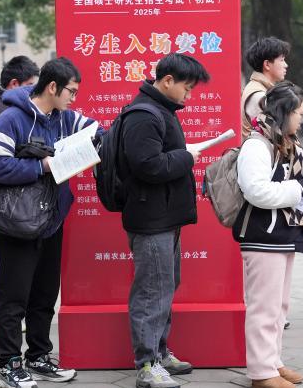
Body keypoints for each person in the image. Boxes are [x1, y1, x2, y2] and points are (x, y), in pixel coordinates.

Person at [0, 57, 98, 388]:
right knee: (14, 296)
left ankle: (38, 356)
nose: (74, 98)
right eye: (71, 92)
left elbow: (97, 130)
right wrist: (41, 166)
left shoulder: (64, 117)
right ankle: (8, 364)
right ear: (52, 87)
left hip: (52, 220)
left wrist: (95, 143)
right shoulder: (12, 118)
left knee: (45, 294)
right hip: (18, 223)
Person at [119, 53, 210, 388]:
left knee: (165, 286)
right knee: (152, 291)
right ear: (167, 80)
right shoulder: (144, 115)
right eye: (187, 87)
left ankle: (159, 352)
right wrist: (186, 157)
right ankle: (147, 365)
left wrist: (182, 155)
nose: (189, 94)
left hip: (163, 217)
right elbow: (147, 165)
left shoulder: (160, 110)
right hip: (151, 219)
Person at [235, 81, 303, 388]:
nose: (301, 119)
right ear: (283, 112)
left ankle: (273, 362)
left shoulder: (283, 142)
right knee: (264, 307)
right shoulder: (257, 145)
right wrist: (298, 189)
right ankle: (261, 373)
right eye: (298, 113)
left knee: (279, 306)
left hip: (282, 234)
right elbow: (256, 191)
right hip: (262, 236)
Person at [0, 56, 39, 333]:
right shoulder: (0, 112)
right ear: (14, 84)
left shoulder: (3, 106)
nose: (34, 92)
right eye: (30, 85)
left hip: (0, 191)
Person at [241, 37, 290, 139]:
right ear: (267, 64)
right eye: (281, 60)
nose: (286, 65)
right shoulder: (259, 95)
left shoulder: (259, 88)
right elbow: (276, 136)